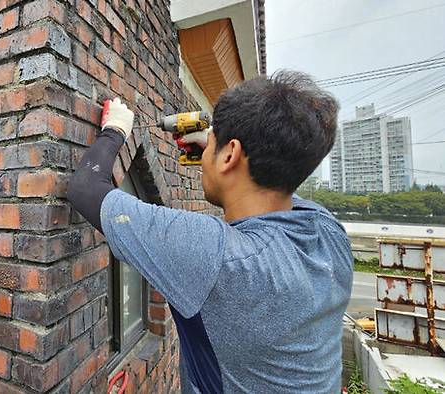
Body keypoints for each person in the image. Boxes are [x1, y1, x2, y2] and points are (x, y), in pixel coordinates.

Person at [68, 71, 354, 393]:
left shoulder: (217, 256)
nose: (205, 153)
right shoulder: (329, 232)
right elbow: (276, 179)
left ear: (230, 154)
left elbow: (86, 189)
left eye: (212, 144)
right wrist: (219, 155)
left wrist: (115, 130)